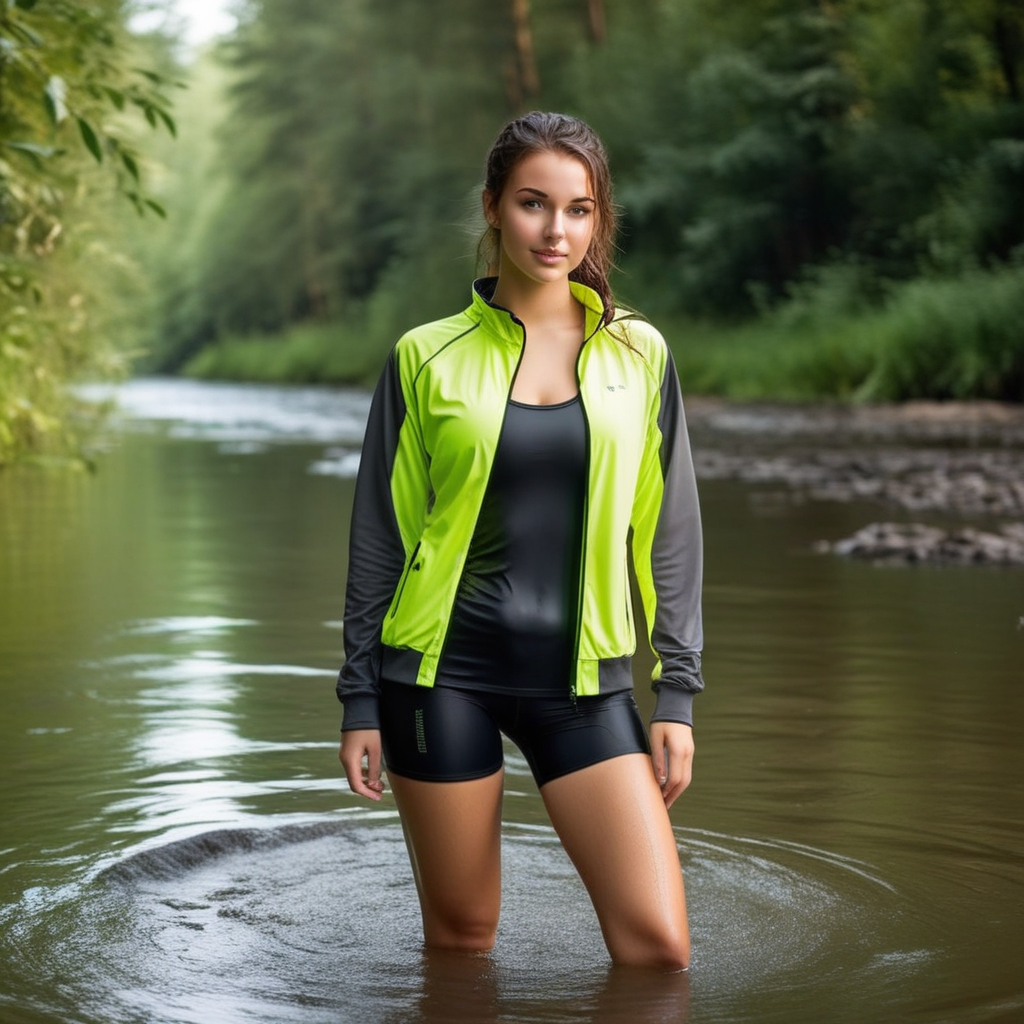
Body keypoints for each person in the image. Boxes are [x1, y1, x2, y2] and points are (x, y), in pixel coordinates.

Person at [337, 111, 705, 971]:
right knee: (463, 944)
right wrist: (359, 699)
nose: (556, 230)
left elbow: (670, 531)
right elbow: (379, 540)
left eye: (579, 209)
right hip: (438, 680)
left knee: (659, 951)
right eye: (535, 204)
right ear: (495, 207)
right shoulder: (424, 357)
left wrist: (677, 693)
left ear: (598, 220)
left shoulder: (639, 354)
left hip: (584, 684)